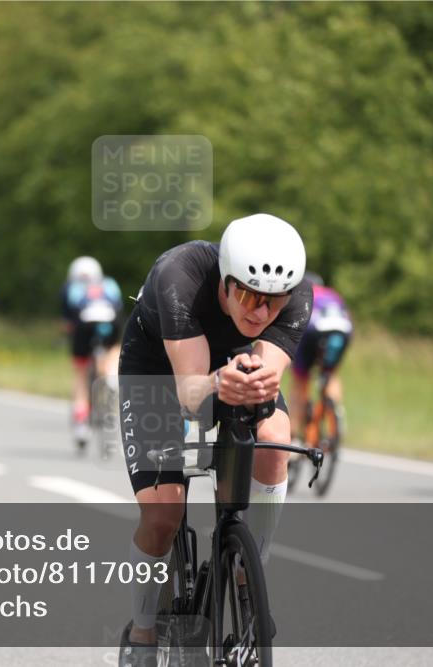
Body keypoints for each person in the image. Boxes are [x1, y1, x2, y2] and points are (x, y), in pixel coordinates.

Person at [116, 213, 312, 665]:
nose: (260, 313)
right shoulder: (179, 276)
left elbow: (266, 376)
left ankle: (247, 568)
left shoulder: (299, 294)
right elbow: (189, 393)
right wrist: (219, 382)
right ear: (225, 280)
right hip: (159, 369)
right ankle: (143, 630)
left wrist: (249, 385)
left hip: (232, 362)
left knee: (273, 438)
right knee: (162, 516)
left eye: (273, 302)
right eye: (247, 295)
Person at [61, 256, 123, 449]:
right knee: (113, 349)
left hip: (83, 324)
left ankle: (81, 421)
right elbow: (118, 307)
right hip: (109, 321)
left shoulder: (71, 287)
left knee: (80, 374)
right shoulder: (109, 284)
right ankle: (111, 375)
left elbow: (68, 321)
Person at [287, 272, 353, 447]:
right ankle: (336, 414)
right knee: (330, 374)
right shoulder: (333, 294)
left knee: (300, 381)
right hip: (343, 330)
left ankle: (293, 435)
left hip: (312, 329)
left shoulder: (301, 293)